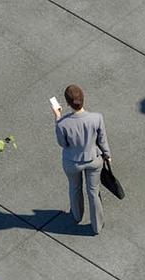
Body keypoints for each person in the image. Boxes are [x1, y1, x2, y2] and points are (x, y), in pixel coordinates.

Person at [53, 84, 110, 235]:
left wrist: (58, 117)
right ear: (83, 99)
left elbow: (62, 143)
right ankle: (97, 226)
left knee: (74, 188)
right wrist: (107, 155)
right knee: (93, 191)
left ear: (67, 103)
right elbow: (102, 139)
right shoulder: (96, 118)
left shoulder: (62, 123)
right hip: (93, 160)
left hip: (72, 162)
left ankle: (77, 215)